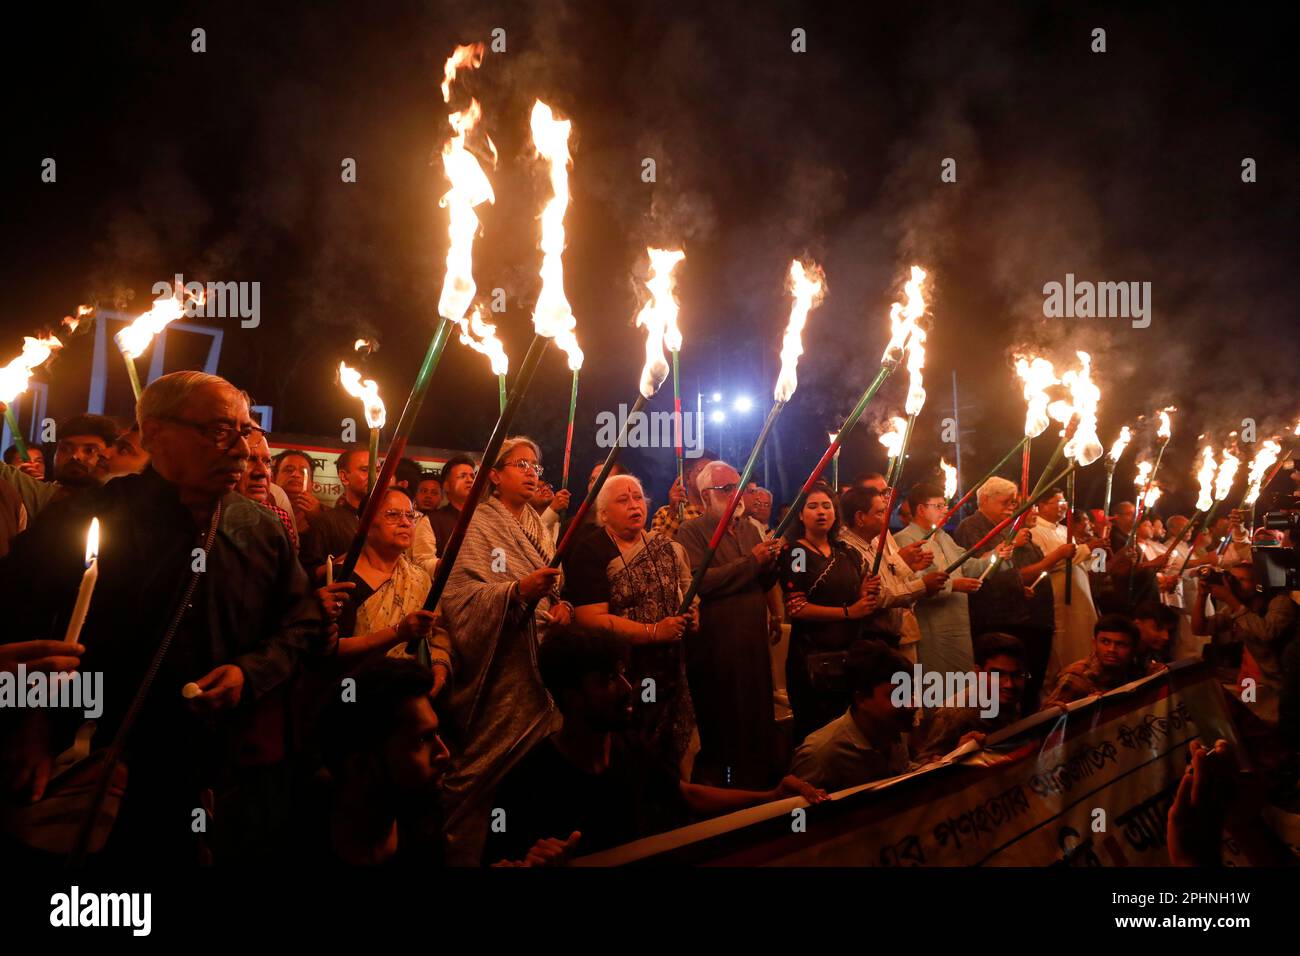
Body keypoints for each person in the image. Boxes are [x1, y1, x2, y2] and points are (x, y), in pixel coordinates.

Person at [0, 371, 323, 863]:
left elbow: (303, 623)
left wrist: (251, 673)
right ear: (153, 433)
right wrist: (31, 725)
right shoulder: (84, 519)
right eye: (219, 430)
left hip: (211, 768)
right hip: (87, 761)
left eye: (246, 431)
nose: (241, 449)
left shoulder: (259, 529)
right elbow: (18, 627)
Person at [483, 628, 826, 865]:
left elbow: (686, 794)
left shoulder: (629, 748)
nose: (627, 688)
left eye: (622, 674)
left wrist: (771, 797)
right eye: (607, 681)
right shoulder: (527, 784)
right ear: (572, 698)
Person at [438, 436, 573, 865]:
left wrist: (562, 607)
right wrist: (515, 591)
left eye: (536, 466)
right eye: (521, 465)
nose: (532, 473)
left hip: (542, 663)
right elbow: (458, 596)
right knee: (483, 770)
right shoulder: (477, 523)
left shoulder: (537, 524)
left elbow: (556, 589)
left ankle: (525, 850)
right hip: (500, 666)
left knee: (535, 779)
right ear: (494, 476)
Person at [563, 473, 698, 770]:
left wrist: (690, 616)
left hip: (669, 671)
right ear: (603, 514)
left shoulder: (665, 547)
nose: (634, 505)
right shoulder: (591, 550)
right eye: (623, 500)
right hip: (624, 674)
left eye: (638, 498)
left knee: (669, 758)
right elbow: (590, 619)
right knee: (633, 758)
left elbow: (684, 594)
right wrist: (653, 631)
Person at [676, 460, 782, 789]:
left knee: (757, 714)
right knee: (724, 721)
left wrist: (772, 562)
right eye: (726, 489)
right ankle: (728, 790)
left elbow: (762, 580)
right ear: (706, 495)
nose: (736, 495)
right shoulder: (691, 531)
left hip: (753, 641)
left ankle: (761, 786)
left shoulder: (750, 529)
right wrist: (753, 561)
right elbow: (700, 581)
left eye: (739, 487)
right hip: (717, 645)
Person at [303, 657, 451, 865]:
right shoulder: (294, 843)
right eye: (422, 739)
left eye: (436, 734)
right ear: (360, 766)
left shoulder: (424, 829)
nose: (445, 754)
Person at [955, 477, 1070, 709]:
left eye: (1013, 503)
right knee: (998, 685)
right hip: (992, 618)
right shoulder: (971, 527)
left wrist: (1018, 588)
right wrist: (1015, 546)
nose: (1011, 508)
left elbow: (1011, 570)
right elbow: (980, 568)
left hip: (1019, 614)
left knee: (1024, 680)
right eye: (1005, 502)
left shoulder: (1006, 527)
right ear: (985, 500)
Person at [323, 486, 454, 686]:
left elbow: (436, 635)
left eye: (410, 516)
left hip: (410, 688)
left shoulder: (419, 578)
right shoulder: (341, 578)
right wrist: (398, 633)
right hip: (355, 688)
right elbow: (331, 649)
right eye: (393, 515)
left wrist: (439, 669)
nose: (405, 522)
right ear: (365, 523)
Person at [779, 483, 879, 744]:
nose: (821, 512)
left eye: (827, 506)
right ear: (801, 515)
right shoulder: (797, 553)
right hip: (812, 658)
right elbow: (797, 608)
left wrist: (864, 593)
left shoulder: (847, 552)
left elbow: (855, 598)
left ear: (835, 513)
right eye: (812, 506)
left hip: (849, 655)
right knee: (816, 734)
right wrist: (848, 612)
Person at [894, 482, 1000, 676]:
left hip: (958, 621)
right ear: (921, 509)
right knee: (936, 680)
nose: (945, 511)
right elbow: (912, 584)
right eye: (938, 506)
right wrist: (954, 585)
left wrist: (998, 555)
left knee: (962, 681)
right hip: (931, 625)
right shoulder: (905, 540)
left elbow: (968, 566)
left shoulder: (944, 537)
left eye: (945, 506)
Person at [790, 640, 917, 792]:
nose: (913, 704)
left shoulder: (891, 732)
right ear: (861, 699)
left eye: (911, 693)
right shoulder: (819, 757)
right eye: (899, 696)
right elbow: (796, 805)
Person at [1192, 562, 1298, 722]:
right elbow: (1199, 629)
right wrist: (1201, 596)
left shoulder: (1279, 602)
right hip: (1258, 680)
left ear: (1258, 583)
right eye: (1232, 578)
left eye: (1242, 579)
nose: (1235, 583)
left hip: (1290, 681)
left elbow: (1267, 632)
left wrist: (1229, 598)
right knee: (1251, 717)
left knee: (1286, 726)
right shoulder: (1235, 608)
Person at [837, 485, 932, 660]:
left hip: (890, 635)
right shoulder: (848, 550)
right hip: (870, 641)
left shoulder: (874, 541)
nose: (887, 517)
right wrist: (924, 586)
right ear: (860, 517)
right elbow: (879, 596)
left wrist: (909, 567)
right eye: (880, 512)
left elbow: (890, 578)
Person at [914, 631, 1029, 761]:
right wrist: (955, 757)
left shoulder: (1008, 698)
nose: (1009, 684)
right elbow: (923, 764)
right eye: (997, 674)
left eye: (1016, 675)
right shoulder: (956, 714)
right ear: (978, 673)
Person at [1030, 488, 1098, 681]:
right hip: (1059, 594)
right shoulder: (1035, 531)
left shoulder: (1064, 530)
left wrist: (1095, 551)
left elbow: (1080, 562)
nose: (1064, 507)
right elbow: (1050, 562)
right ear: (1042, 505)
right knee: (1063, 643)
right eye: (1059, 502)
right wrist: (1085, 549)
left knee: (1082, 638)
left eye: (1065, 503)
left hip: (1079, 595)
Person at [0, 412, 118, 519]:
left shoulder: (118, 502)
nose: (75, 456)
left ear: (108, 454)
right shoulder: (40, 495)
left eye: (89, 450)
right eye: (65, 449)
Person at [300, 446, 370, 577]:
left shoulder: (388, 520)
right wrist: (346, 559)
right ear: (344, 477)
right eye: (365, 470)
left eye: (378, 470)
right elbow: (308, 574)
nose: (374, 476)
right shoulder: (327, 522)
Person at [1043, 614, 1141, 706]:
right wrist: (1084, 708)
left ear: (1133, 649)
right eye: (1105, 642)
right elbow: (1048, 715)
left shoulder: (1133, 669)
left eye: (1120, 644)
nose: (1111, 649)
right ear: (1094, 643)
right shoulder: (1077, 677)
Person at [239, 429, 298, 550]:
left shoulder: (279, 518)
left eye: (267, 462)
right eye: (250, 459)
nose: (263, 472)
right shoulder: (208, 517)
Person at [650, 453, 716, 540]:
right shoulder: (664, 513)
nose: (711, 478)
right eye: (704, 472)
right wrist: (673, 513)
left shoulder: (720, 511)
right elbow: (658, 547)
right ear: (688, 477)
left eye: (713, 474)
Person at [425, 453, 476, 558]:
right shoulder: (431, 521)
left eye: (472, 476)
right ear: (446, 486)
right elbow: (423, 560)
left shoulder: (485, 518)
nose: (470, 480)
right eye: (463, 476)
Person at [272, 449, 321, 535]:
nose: (296, 475)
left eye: (303, 472)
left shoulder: (325, 516)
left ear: (312, 484)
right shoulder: (261, 510)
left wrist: (318, 520)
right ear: (274, 478)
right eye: (289, 470)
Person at [1132, 600, 1178, 672]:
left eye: (1169, 631)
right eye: (1159, 629)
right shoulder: (1123, 654)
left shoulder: (1158, 654)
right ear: (1138, 624)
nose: (1166, 637)